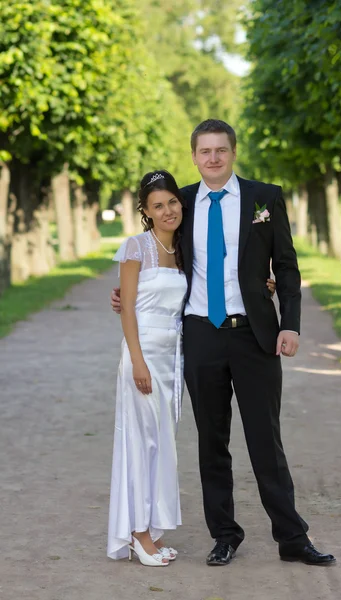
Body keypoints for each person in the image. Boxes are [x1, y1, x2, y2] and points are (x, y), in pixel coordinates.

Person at [111, 119, 335, 567]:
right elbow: (157, 259)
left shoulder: (264, 198)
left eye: (221, 150)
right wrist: (127, 294)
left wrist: (289, 322)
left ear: (233, 152)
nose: (212, 158)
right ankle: (225, 535)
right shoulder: (183, 203)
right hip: (200, 336)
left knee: (265, 439)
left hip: (254, 335)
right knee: (212, 441)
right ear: (193, 156)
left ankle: (292, 537)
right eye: (204, 151)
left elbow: (286, 266)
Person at [107, 170, 187, 566]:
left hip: (174, 357)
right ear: (145, 211)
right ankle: (138, 535)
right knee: (140, 443)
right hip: (142, 355)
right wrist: (137, 360)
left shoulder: (187, 248)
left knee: (162, 444)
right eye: (158, 205)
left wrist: (266, 284)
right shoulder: (136, 247)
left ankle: (152, 530)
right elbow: (129, 310)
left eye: (172, 201)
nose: (168, 210)